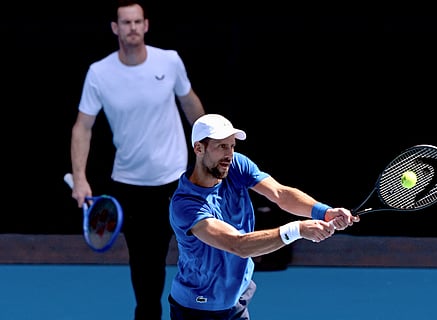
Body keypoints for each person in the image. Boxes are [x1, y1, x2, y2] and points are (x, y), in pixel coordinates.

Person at [68, 1, 205, 319]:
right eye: (124, 22)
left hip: (177, 181)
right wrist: (79, 177)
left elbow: (189, 104)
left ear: (146, 25)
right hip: (132, 187)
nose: (131, 27)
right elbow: (82, 126)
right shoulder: (99, 73)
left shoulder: (169, 61)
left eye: (136, 21)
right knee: (147, 267)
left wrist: (210, 147)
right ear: (115, 28)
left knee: (200, 252)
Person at [168, 114, 360, 319]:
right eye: (221, 146)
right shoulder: (185, 204)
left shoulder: (235, 166)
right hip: (198, 309)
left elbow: (280, 194)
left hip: (237, 299)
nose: (229, 154)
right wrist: (298, 230)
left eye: (232, 146)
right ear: (199, 148)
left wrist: (325, 212)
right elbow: (238, 245)